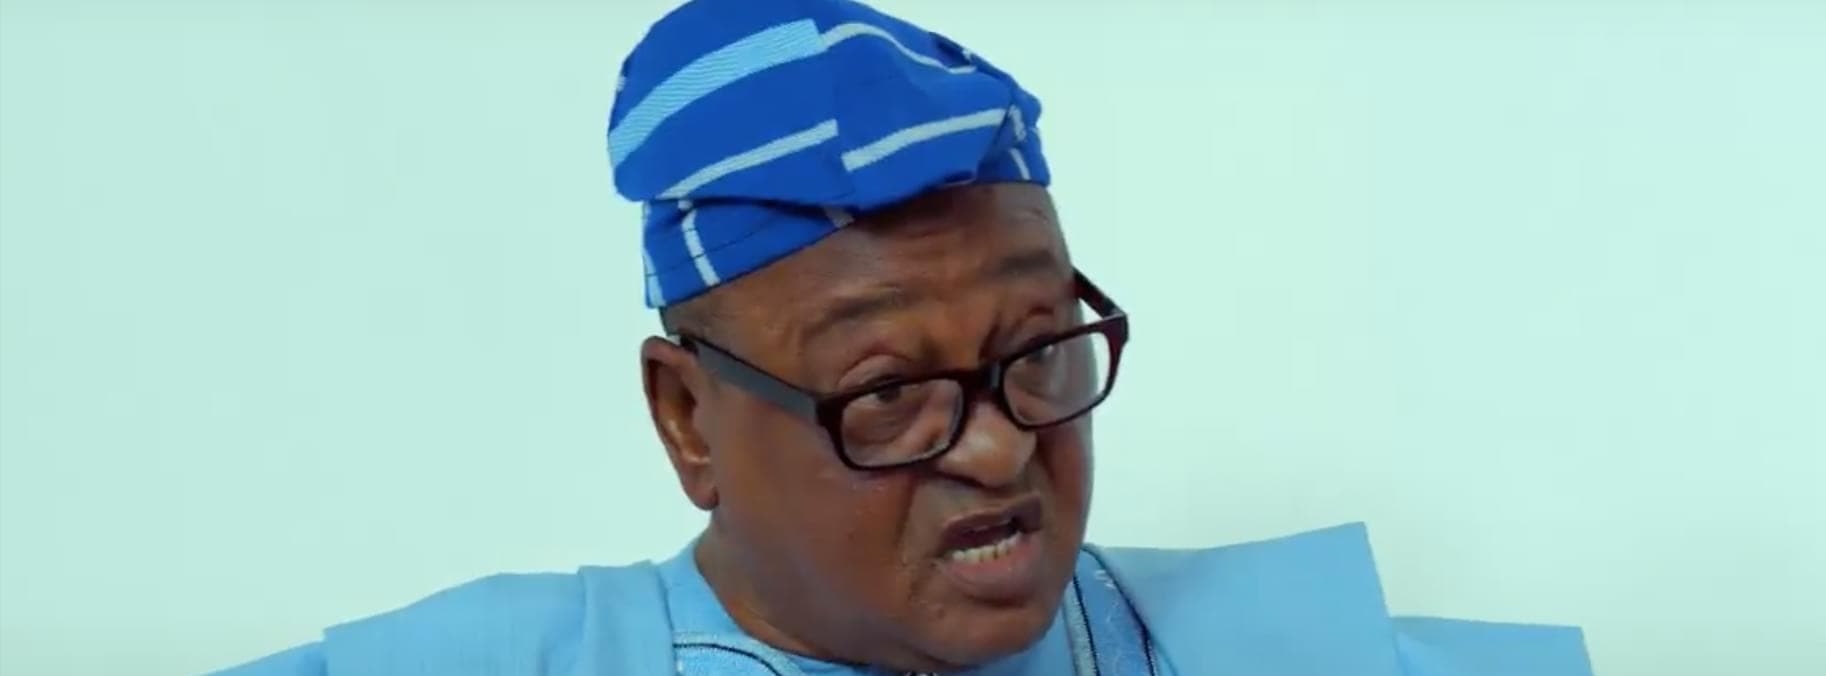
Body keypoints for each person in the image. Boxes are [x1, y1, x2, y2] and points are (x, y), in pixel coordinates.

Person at [217, 0, 1592, 674]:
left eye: (1038, 349)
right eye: (887, 393)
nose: (998, 450)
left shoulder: (1288, 652)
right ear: (688, 419)